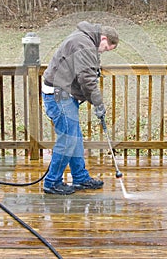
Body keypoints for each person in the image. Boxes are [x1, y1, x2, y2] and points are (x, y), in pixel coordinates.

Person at [42, 21, 119, 195]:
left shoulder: (85, 40)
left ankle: (80, 178)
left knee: (74, 138)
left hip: (64, 94)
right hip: (58, 94)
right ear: (104, 38)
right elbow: (87, 79)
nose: (103, 51)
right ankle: (52, 182)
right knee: (68, 139)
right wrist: (98, 104)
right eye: (106, 48)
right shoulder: (83, 43)